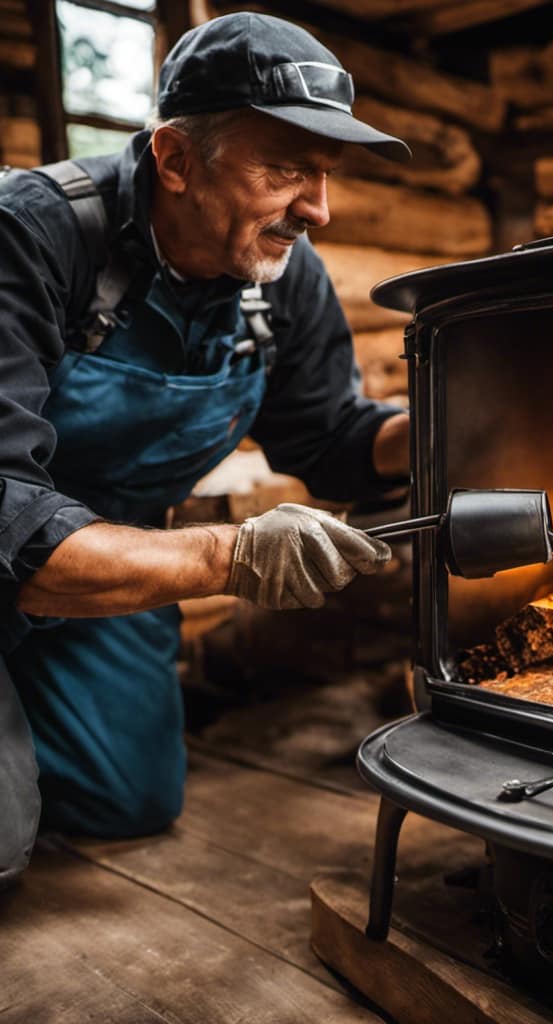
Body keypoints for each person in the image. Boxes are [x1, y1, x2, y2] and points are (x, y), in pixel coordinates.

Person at [0, 11, 414, 885]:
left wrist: (454, 428)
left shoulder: (282, 275)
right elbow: (6, 510)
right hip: (13, 549)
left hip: (109, 568)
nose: (320, 209)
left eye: (326, 174)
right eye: (287, 167)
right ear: (176, 160)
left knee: (130, 800)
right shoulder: (30, 236)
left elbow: (331, 437)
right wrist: (232, 555)